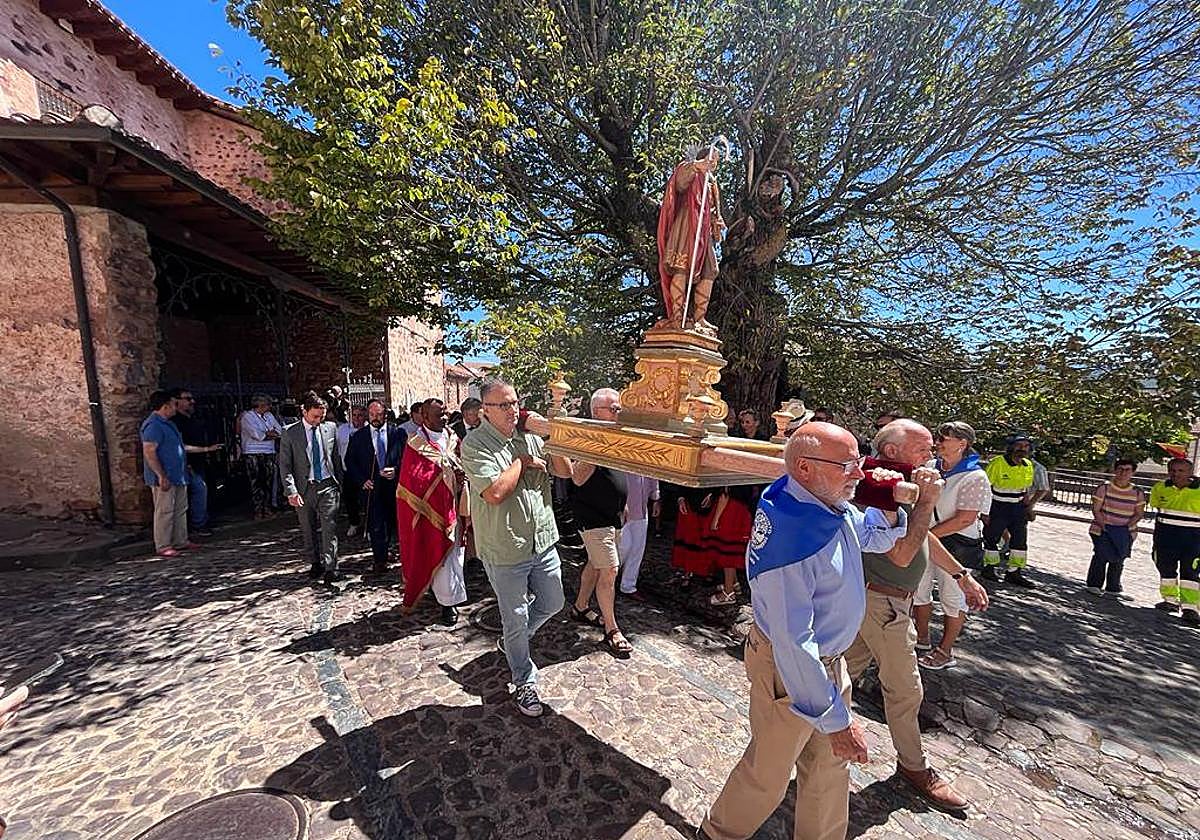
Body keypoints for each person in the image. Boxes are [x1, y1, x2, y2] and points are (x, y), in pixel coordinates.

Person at [698, 423, 908, 840]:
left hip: (828, 662)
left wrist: (886, 504)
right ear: (805, 468)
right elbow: (793, 642)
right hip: (792, 668)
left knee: (831, 769)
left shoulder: (824, 502)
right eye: (847, 465)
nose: (859, 474)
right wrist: (836, 719)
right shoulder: (791, 538)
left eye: (859, 462)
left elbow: (874, 537)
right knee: (769, 772)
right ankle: (717, 834)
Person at [845, 419, 988, 813]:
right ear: (891, 452)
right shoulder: (877, 485)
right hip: (883, 605)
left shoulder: (905, 484)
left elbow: (923, 535)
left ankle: (804, 737)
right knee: (905, 690)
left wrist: (961, 576)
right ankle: (914, 767)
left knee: (842, 674)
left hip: (885, 603)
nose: (932, 456)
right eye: (923, 449)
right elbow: (902, 553)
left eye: (932, 448)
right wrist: (927, 499)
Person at [461, 380, 572, 716]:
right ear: (485, 411)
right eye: (503, 405)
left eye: (515, 403)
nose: (513, 411)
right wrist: (523, 463)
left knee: (554, 601)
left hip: (542, 539)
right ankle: (523, 679)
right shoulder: (475, 444)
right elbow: (494, 492)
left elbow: (565, 471)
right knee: (515, 616)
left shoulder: (532, 436)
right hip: (505, 547)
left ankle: (513, 642)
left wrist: (556, 437)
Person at [913, 421, 992, 670]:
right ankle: (922, 638)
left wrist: (926, 534)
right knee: (919, 589)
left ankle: (945, 650)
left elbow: (966, 518)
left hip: (956, 543)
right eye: (940, 437)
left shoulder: (975, 476)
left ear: (962, 443)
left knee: (953, 597)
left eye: (945, 438)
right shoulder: (929, 467)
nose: (939, 442)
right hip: (928, 538)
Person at [567, 388, 633, 657]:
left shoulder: (615, 436)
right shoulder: (589, 437)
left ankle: (581, 606)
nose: (620, 413)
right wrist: (595, 446)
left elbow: (616, 474)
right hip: (592, 516)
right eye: (615, 408)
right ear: (597, 412)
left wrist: (623, 503)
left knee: (596, 564)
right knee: (610, 570)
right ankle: (612, 629)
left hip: (612, 516)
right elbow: (577, 478)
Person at [397, 399, 468, 625]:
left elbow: (466, 464)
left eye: (446, 414)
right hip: (432, 513)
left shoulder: (454, 439)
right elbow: (414, 481)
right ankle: (448, 605)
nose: (445, 418)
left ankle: (452, 597)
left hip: (457, 506)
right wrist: (447, 477)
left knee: (457, 555)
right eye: (439, 415)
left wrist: (460, 478)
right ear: (425, 418)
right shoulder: (416, 445)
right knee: (442, 558)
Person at [656, 144, 726, 334]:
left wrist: (716, 221)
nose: (714, 162)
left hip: (704, 231)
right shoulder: (690, 169)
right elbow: (679, 183)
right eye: (712, 158)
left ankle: (699, 318)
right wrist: (696, 166)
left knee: (710, 271)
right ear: (703, 157)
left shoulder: (712, 183)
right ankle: (677, 316)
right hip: (687, 225)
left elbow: (712, 209)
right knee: (681, 267)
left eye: (717, 160)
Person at [278, 391, 345, 585]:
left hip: (327, 486)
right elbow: (285, 464)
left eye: (322, 417)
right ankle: (315, 562)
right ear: (304, 411)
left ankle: (331, 567)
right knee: (308, 529)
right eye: (315, 416)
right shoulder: (290, 432)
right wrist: (291, 491)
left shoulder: (330, 428)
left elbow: (335, 459)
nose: (318, 420)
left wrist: (338, 483)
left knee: (329, 527)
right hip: (304, 488)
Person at [346, 400, 404, 574]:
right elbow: (350, 461)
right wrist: (361, 480)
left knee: (396, 522)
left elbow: (406, 458)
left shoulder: (397, 433)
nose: (376, 418)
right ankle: (380, 559)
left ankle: (396, 551)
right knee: (376, 524)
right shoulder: (359, 436)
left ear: (385, 414)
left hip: (394, 485)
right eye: (372, 415)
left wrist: (396, 469)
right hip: (372, 487)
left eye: (379, 414)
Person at [140, 389, 192, 558]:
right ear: (165, 406)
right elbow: (149, 451)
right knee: (165, 511)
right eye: (173, 405)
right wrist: (161, 475)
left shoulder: (168, 424)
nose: (176, 408)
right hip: (165, 476)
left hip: (178, 475)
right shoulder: (153, 425)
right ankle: (163, 544)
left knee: (179, 509)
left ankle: (180, 540)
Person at [1148, 457, 1200, 626]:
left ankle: (1190, 608)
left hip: (1193, 539)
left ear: (1190, 472)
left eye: (1181, 471)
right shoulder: (1160, 487)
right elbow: (1156, 508)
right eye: (1173, 470)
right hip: (1165, 536)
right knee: (1165, 567)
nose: (1176, 474)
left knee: (1190, 572)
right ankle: (1170, 600)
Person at [981, 435, 1036, 586]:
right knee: (992, 538)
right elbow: (986, 488)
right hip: (998, 505)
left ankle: (1014, 573)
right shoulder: (998, 463)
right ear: (1011, 447)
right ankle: (988, 568)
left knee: (1020, 541)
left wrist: (1029, 508)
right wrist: (984, 511)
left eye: (1026, 446)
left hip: (1018, 508)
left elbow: (1025, 490)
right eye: (1019, 445)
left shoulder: (1028, 465)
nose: (1023, 449)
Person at [1086, 458, 1145, 597]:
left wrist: (1125, 528)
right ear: (1115, 470)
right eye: (1120, 469)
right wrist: (1104, 526)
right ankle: (1094, 584)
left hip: (1125, 531)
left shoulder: (1137, 492)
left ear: (1133, 472)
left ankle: (1113, 587)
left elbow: (1139, 513)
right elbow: (1096, 509)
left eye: (1127, 470)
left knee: (1119, 558)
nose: (1123, 473)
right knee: (1101, 556)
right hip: (1102, 529)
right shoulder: (1104, 488)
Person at [170, 388, 222, 537]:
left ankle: (201, 520)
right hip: (187, 463)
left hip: (200, 462)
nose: (192, 402)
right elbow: (180, 446)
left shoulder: (193, 418)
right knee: (199, 489)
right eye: (187, 398)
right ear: (177, 401)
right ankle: (197, 524)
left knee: (204, 490)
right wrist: (205, 449)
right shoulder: (175, 422)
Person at [707, 484, 759, 606]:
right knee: (732, 551)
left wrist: (715, 519)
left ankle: (728, 593)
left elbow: (724, 495)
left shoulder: (727, 475)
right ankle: (733, 584)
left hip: (730, 512)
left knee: (727, 554)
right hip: (742, 512)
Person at [618, 472, 660, 599]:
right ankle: (606, 577)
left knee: (637, 549)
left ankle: (628, 585)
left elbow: (654, 473)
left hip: (641, 509)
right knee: (623, 547)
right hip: (623, 508)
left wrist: (656, 498)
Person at [240, 394, 283, 519]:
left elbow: (279, 431)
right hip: (253, 452)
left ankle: (267, 507)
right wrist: (268, 434)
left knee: (268, 481)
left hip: (269, 451)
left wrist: (269, 434)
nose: (270, 407)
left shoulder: (269, 416)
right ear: (261, 405)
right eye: (268, 404)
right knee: (256, 482)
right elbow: (257, 435)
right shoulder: (247, 417)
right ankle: (258, 509)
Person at [336, 404, 368, 538]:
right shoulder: (342, 430)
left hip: (365, 471)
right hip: (348, 470)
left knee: (367, 500)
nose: (356, 418)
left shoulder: (368, 430)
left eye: (360, 415)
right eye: (354, 415)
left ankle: (369, 526)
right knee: (350, 499)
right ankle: (354, 523)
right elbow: (336, 449)